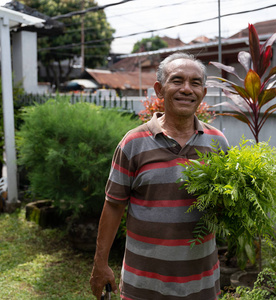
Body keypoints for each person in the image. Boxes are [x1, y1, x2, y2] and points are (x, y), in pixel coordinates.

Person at [90, 52, 229, 300]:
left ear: (204, 94)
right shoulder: (133, 143)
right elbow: (113, 206)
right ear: (159, 89)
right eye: (177, 80)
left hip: (201, 285)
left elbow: (224, 206)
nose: (187, 89)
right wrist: (100, 264)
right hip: (143, 285)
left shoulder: (218, 143)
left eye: (195, 83)